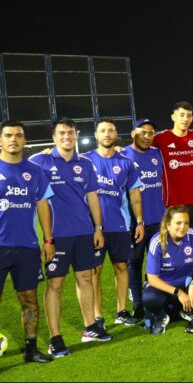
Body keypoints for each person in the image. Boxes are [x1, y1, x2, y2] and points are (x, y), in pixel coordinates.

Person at [29, 119, 111, 357]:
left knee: (86, 277)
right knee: (55, 284)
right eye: (61, 133)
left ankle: (90, 327)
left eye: (71, 133)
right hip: (56, 236)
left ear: (76, 136)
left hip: (84, 232)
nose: (67, 137)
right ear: (53, 138)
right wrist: (47, 239)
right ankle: (55, 338)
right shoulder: (40, 161)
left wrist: (98, 227)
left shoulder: (84, 164)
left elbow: (93, 197)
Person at [0, 120, 56, 363]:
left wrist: (48, 239)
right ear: (0, 140)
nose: (14, 139)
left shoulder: (35, 171)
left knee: (30, 298)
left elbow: (43, 206)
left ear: (25, 141)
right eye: (8, 135)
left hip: (27, 247)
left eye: (19, 135)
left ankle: (31, 349)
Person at [83, 119, 144, 330]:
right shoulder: (84, 160)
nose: (107, 134)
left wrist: (139, 222)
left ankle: (121, 310)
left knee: (121, 267)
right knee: (94, 272)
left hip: (120, 225)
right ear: (95, 135)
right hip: (92, 228)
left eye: (111, 130)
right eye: (102, 130)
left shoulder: (126, 162)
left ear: (116, 134)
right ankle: (97, 315)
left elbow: (135, 194)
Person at [122, 118, 166, 320]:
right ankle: (138, 305)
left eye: (151, 133)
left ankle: (158, 302)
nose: (147, 137)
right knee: (134, 264)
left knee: (159, 263)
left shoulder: (158, 154)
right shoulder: (122, 155)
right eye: (143, 132)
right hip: (134, 222)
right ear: (133, 133)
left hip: (159, 218)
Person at [143, 206, 193, 334]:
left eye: (186, 223)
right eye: (178, 223)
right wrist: (178, 293)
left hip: (186, 284)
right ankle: (161, 316)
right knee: (149, 297)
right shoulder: (158, 241)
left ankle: (185, 311)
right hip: (165, 289)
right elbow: (152, 279)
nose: (183, 227)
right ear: (168, 225)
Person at [153, 101, 193, 247]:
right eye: (182, 115)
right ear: (173, 117)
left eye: (189, 116)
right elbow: (140, 147)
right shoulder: (161, 138)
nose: (185, 119)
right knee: (173, 244)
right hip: (171, 202)